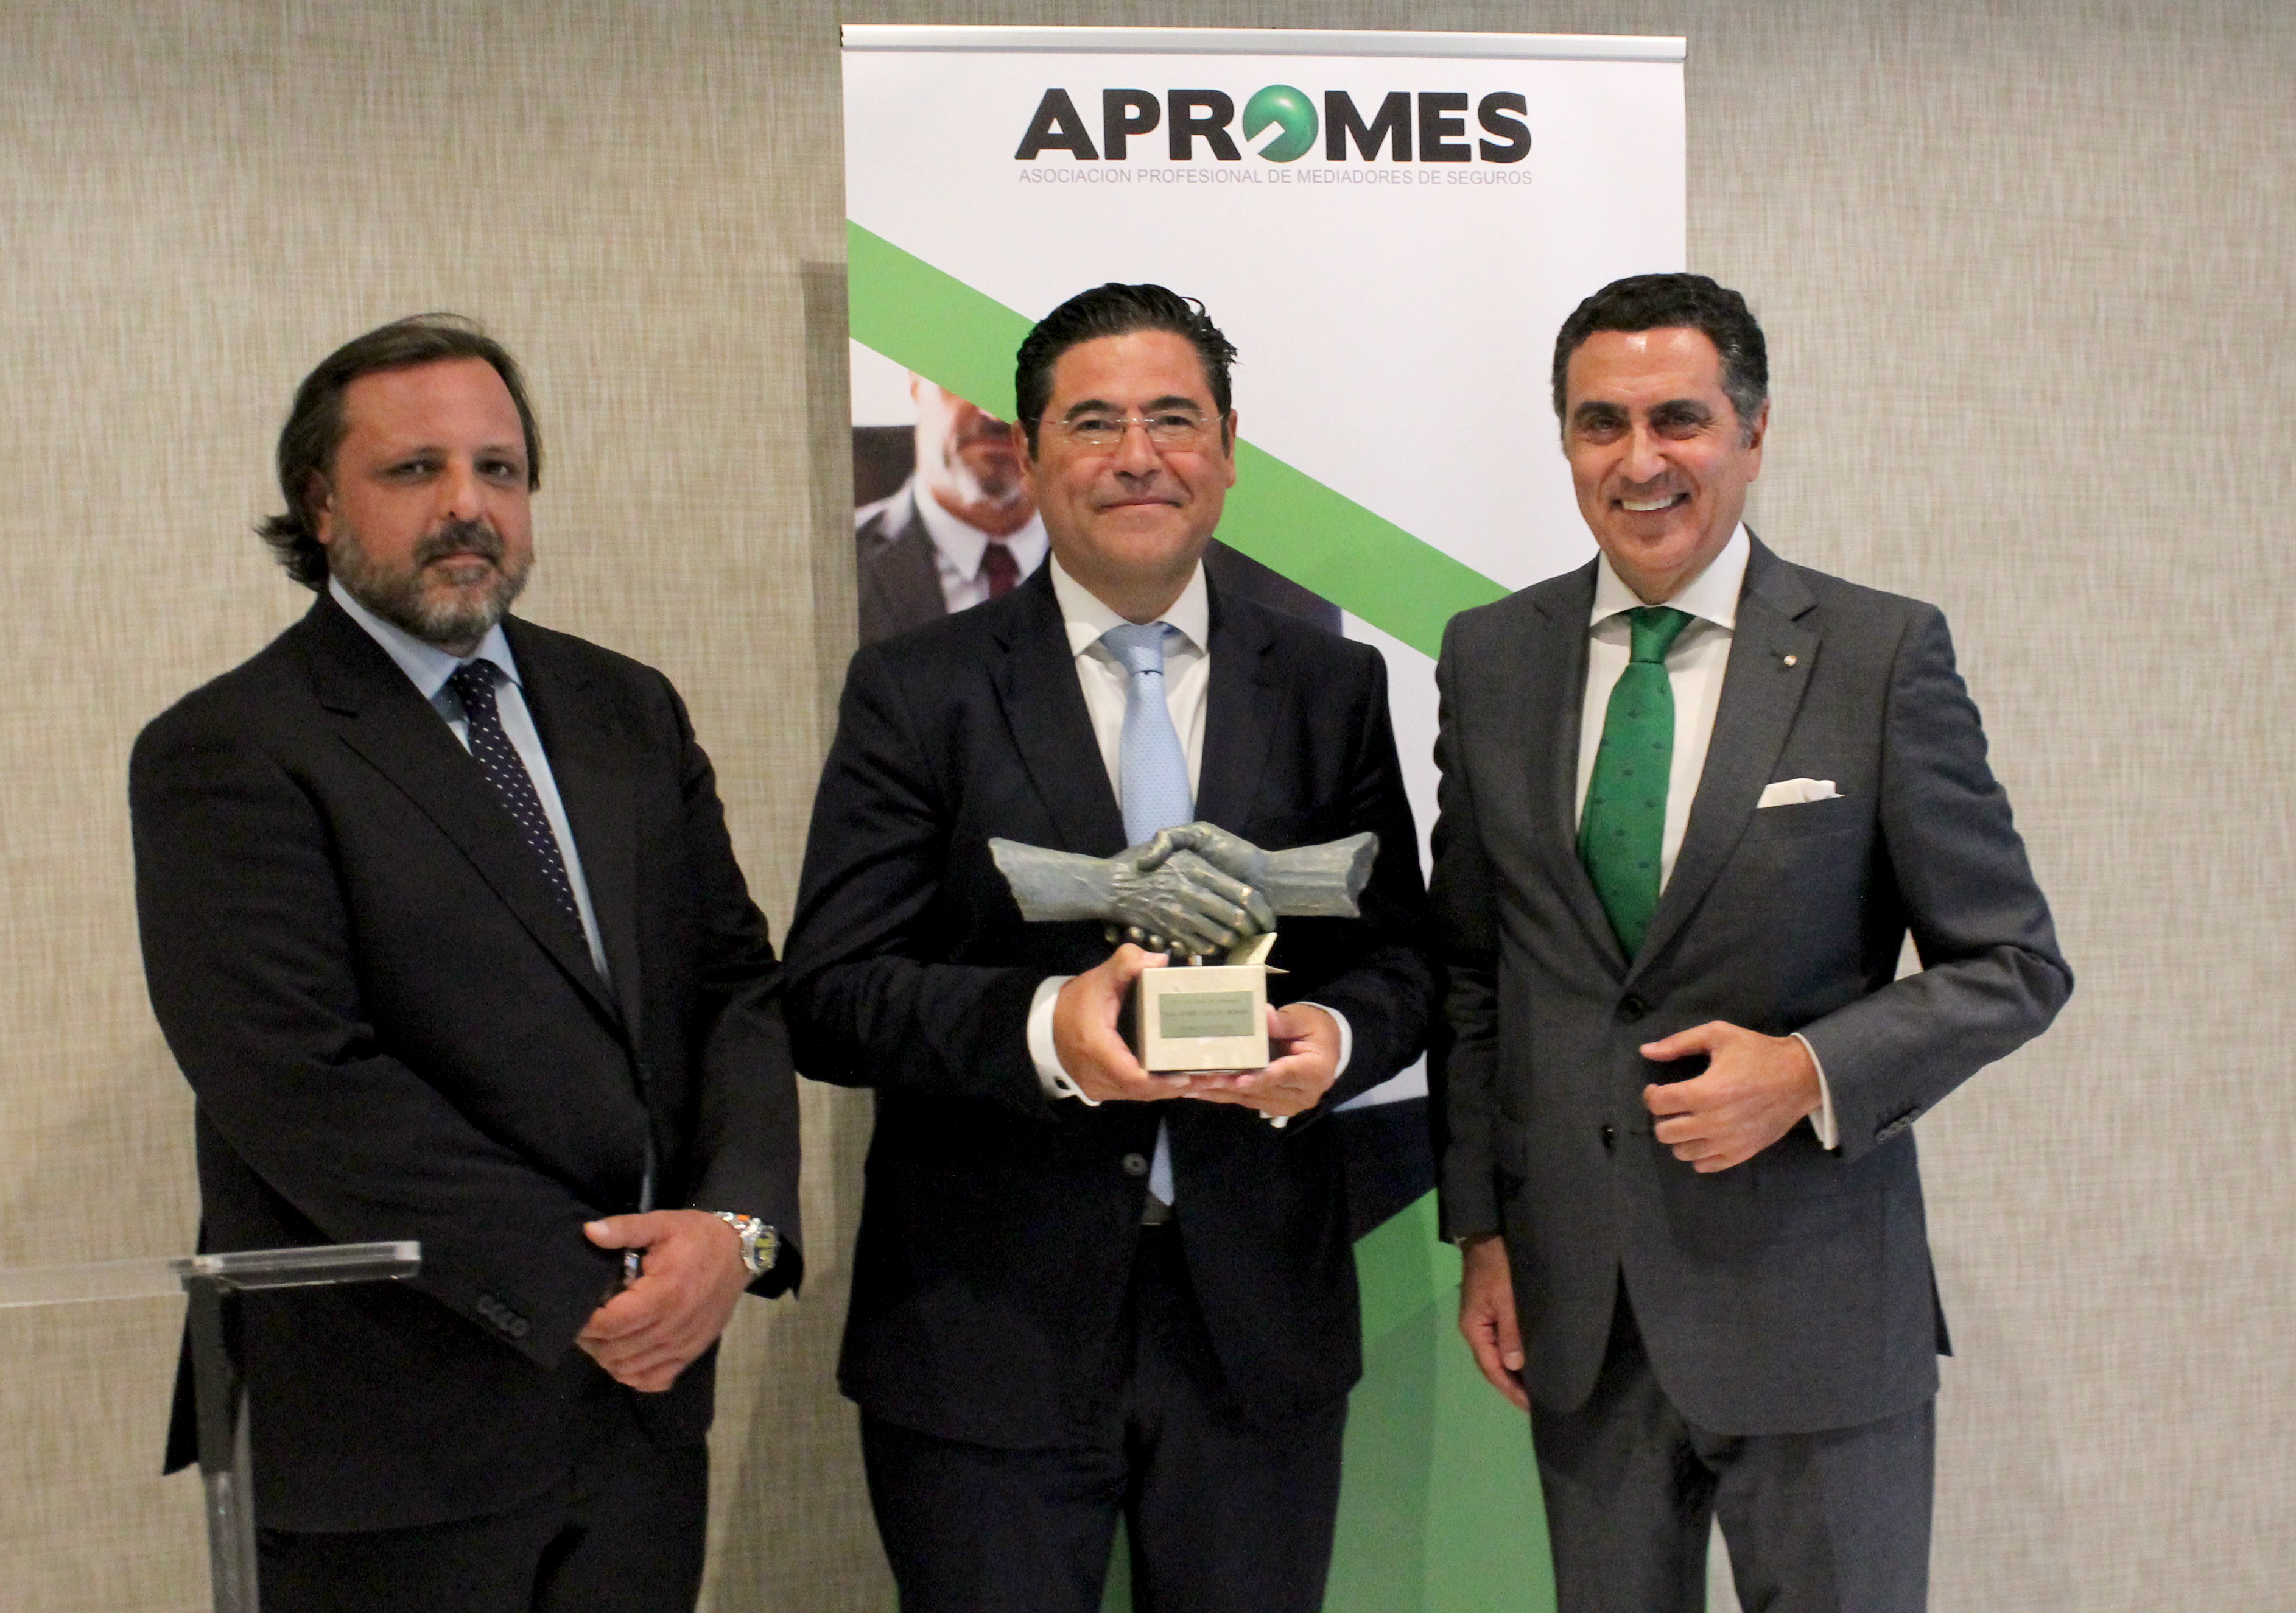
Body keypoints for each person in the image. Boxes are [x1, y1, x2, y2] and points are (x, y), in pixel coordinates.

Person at [130, 314, 801, 1613]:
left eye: (499, 468)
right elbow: (297, 1077)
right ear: (321, 504)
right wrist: (585, 1283)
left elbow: (734, 989)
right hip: (394, 1435)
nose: (466, 505)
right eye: (414, 469)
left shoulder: (628, 708)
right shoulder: (229, 747)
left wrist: (734, 1229)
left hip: (642, 1417)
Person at [788, 283, 1437, 1613]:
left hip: (1257, 1327)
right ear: (1032, 454)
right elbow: (830, 994)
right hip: (985, 1330)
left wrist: (1335, 1037)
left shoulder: (1328, 684)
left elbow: (1403, 961)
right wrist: (1045, 1029)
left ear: (1228, 449)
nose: (1138, 454)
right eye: (1092, 423)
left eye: (1173, 419)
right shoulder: (917, 688)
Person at [1430, 273, 2071, 1612]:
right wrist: (1483, 1230)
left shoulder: (1878, 654)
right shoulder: (1492, 657)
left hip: (1817, 1313)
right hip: (1580, 1311)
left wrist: (1806, 1072)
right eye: (1600, 423)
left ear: (1753, 431)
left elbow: (2011, 963)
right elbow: (1475, 971)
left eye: (1679, 417)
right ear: (1565, 442)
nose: (1639, 460)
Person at [857, 374, 1341, 647]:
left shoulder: (1264, 589)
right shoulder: (835, 566)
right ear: (914, 380)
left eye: (1025, 391)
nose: (996, 414)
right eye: (966, 374)